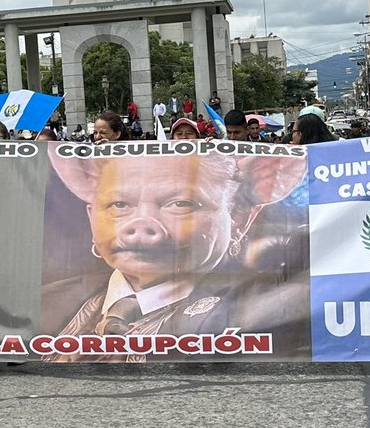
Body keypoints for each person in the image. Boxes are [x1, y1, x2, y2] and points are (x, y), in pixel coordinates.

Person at [41, 151, 309, 361]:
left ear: (238, 219)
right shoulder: (47, 302)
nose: (140, 226)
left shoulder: (258, 312)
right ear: (92, 217)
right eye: (119, 205)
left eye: (181, 204)